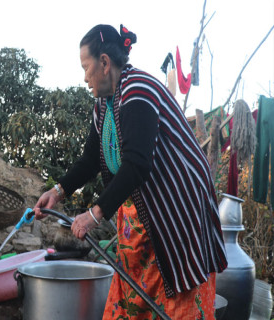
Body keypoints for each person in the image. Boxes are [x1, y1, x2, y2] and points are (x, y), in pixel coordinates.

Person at [33, 24, 227, 319]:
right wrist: (57, 192)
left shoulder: (139, 90)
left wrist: (94, 214)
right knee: (133, 295)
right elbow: (90, 159)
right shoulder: (103, 105)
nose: (84, 77)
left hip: (176, 210)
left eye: (86, 67)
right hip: (142, 212)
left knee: (177, 295)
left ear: (105, 63)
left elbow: (137, 162)